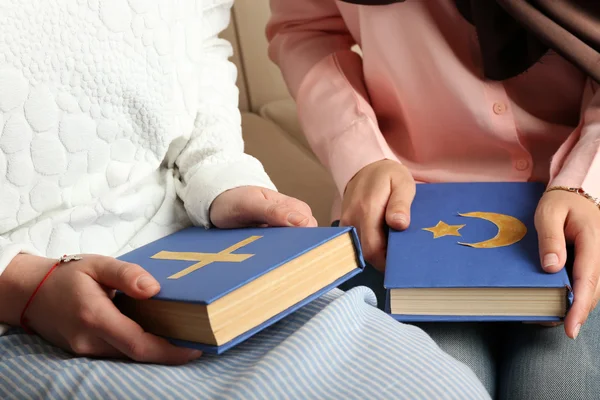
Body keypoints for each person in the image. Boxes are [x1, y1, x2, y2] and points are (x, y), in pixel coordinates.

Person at [0, 1, 491, 399]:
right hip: (24, 320)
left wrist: (220, 176)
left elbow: (198, 43)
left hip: (197, 254)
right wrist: (17, 286)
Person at [266, 0, 600, 399]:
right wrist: (359, 154)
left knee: (557, 386)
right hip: (405, 214)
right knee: (436, 386)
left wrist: (589, 179)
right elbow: (306, 27)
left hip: (583, 212)